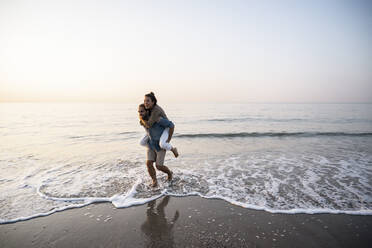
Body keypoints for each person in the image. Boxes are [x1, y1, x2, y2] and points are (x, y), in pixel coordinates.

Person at [138, 104, 174, 187]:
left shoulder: (158, 119)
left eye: (142, 111)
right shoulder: (142, 121)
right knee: (148, 163)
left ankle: (169, 173)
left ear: (147, 111)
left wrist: (168, 140)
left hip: (160, 146)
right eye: (139, 112)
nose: (140, 113)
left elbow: (171, 125)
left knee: (159, 166)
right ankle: (154, 180)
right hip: (151, 145)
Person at [140, 92, 178, 158]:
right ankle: (153, 148)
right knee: (142, 142)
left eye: (148, 101)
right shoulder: (149, 108)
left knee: (163, 144)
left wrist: (141, 119)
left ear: (153, 102)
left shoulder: (156, 110)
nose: (145, 103)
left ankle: (173, 149)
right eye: (144, 101)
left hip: (165, 128)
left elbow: (149, 124)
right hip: (155, 129)